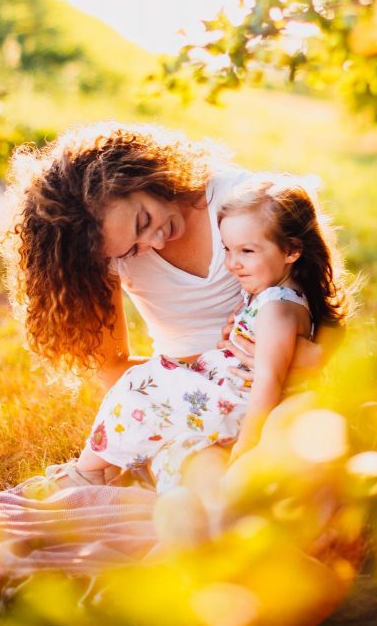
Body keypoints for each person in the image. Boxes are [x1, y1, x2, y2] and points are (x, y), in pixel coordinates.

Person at [0, 122, 332, 483]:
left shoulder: (242, 205)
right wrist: (183, 384)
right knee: (196, 479)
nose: (154, 242)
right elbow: (114, 367)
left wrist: (288, 358)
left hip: (276, 386)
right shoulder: (107, 253)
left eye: (144, 220)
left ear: (141, 176)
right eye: (132, 247)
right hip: (188, 408)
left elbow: (324, 308)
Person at [73, 178, 347, 491]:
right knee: (168, 435)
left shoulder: (276, 307)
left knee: (140, 386)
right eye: (228, 250)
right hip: (231, 397)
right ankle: (178, 484)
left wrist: (247, 446)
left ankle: (86, 472)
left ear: (292, 250)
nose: (232, 263)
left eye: (246, 251)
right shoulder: (272, 295)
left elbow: (268, 380)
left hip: (237, 403)